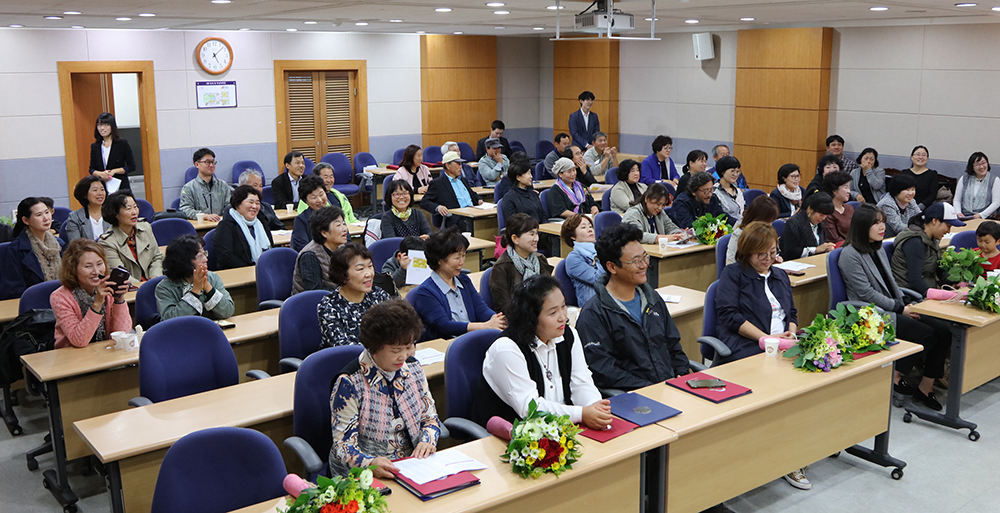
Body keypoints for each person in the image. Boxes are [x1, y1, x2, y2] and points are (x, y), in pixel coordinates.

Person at [716, 220, 807, 489]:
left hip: (784, 344)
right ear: (747, 252)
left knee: (808, 386)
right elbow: (730, 316)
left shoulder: (779, 275)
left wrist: (790, 332)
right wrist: (767, 339)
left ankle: (799, 447)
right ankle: (783, 457)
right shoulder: (733, 275)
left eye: (772, 252)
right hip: (749, 345)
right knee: (779, 390)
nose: (768, 259)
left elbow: (791, 313)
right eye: (761, 254)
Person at [839, 204, 952, 412]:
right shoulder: (850, 254)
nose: (882, 227)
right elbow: (866, 294)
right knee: (926, 334)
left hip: (895, 306)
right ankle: (895, 375)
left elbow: (891, 282)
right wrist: (900, 309)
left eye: (883, 222)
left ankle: (925, 387)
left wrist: (905, 304)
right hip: (869, 314)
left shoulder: (878, 248)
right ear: (863, 226)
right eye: (876, 223)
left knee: (945, 330)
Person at [475, 275, 612, 429]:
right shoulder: (507, 349)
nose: (563, 317)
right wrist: (582, 414)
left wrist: (595, 408)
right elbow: (531, 410)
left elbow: (581, 382)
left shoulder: (569, 335)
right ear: (531, 318)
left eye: (563, 306)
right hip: (516, 437)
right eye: (553, 313)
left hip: (564, 427)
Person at [329, 299, 440, 479]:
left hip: (414, 466)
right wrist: (369, 463)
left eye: (409, 347)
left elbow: (430, 418)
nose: (403, 356)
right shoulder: (350, 383)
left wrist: (427, 440)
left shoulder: (413, 368)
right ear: (374, 347)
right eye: (396, 350)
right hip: (366, 474)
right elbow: (342, 445)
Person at [576, 223, 691, 391]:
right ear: (612, 267)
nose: (644, 265)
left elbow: (673, 345)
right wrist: (652, 389)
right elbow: (604, 371)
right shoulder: (594, 314)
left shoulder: (652, 299)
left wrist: (682, 375)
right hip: (634, 398)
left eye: (645, 257)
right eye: (636, 261)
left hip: (669, 389)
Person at [409, 227, 506, 340]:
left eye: (463, 256)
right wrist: (484, 326)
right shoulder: (425, 292)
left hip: (472, 337)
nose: (462, 262)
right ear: (439, 260)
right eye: (457, 258)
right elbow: (444, 326)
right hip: (447, 343)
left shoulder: (464, 280)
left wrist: (496, 319)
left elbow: (481, 309)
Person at [50, 239, 132, 349]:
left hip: (106, 352)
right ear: (73, 269)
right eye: (88, 266)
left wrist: (119, 299)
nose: (96, 271)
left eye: (99, 264)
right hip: (73, 358)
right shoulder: (60, 297)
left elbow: (122, 334)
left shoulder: (108, 289)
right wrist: (98, 302)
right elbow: (79, 341)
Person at [318, 244, 391, 348]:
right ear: (342, 275)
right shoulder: (329, 306)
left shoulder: (379, 295)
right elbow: (343, 348)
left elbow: (400, 329)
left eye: (370, 266)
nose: (369, 274)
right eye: (361, 269)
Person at [891, 203, 965, 297]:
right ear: (935, 221)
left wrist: (954, 284)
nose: (949, 231)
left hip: (927, 292)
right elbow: (915, 281)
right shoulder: (915, 242)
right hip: (912, 297)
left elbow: (939, 269)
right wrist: (942, 295)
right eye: (948, 226)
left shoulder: (932, 239)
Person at [156, 234, 235, 321]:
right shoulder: (164, 288)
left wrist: (208, 287)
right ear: (184, 261)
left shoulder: (212, 277)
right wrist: (195, 291)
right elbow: (170, 320)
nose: (206, 259)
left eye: (205, 254)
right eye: (200, 256)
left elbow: (228, 311)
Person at [0, 198, 65, 300]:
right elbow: (14, 291)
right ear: (26, 220)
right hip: (35, 306)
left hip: (63, 301)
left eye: (47, 212)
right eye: (39, 215)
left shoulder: (59, 245)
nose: (46, 218)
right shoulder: (14, 250)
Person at [489, 214, 553, 312]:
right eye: (531, 234)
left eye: (536, 233)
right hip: (519, 319)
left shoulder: (540, 260)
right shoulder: (502, 267)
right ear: (515, 239)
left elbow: (550, 293)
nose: (536, 239)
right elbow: (504, 307)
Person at [99, 191, 163, 285]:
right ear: (115, 214)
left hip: (154, 284)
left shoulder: (145, 227)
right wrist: (145, 287)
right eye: (128, 209)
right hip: (129, 290)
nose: (134, 212)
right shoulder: (107, 242)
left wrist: (155, 277)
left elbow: (157, 257)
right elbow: (121, 274)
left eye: (135, 207)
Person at [209, 185, 273, 270]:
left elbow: (271, 248)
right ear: (238, 204)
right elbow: (225, 257)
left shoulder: (261, 223)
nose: (254, 206)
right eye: (250, 202)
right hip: (237, 272)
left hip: (262, 269)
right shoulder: (226, 226)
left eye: (257, 203)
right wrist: (251, 268)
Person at [420, 151, 483, 232]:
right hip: (456, 219)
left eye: (461, 164)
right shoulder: (437, 183)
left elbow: (472, 194)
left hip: (473, 213)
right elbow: (424, 202)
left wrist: (478, 199)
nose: (461, 167)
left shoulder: (463, 180)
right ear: (448, 165)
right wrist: (437, 207)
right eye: (458, 164)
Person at [291, 206, 348, 295]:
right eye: (338, 225)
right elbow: (314, 291)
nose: (345, 229)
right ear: (324, 233)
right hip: (312, 304)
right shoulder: (309, 255)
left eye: (344, 224)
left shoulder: (341, 248)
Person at [560, 214, 605, 305]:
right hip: (594, 306)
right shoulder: (574, 258)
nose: (590, 229)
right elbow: (598, 279)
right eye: (583, 227)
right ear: (573, 236)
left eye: (590, 226)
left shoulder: (601, 247)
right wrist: (603, 255)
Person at [779, 191, 835, 260]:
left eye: (826, 215)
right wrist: (815, 250)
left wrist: (826, 248)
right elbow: (790, 252)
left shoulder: (819, 224)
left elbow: (822, 244)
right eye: (821, 215)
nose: (823, 218)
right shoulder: (793, 223)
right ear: (810, 209)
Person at [726, 195, 780, 265]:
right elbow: (730, 264)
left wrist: (773, 261)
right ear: (757, 219)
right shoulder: (739, 235)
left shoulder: (767, 234)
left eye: (771, 222)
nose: (770, 225)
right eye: (767, 222)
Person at [179, 148, 231, 222]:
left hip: (221, 225)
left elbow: (229, 206)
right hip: (201, 227)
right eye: (207, 162)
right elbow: (185, 210)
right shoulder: (189, 188)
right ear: (197, 164)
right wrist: (205, 216)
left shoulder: (223, 185)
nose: (211, 165)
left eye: (213, 162)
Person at [89, 112, 135, 192]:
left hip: (120, 186)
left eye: (106, 125)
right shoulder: (95, 146)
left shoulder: (122, 144)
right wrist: (100, 174)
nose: (102, 128)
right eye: (99, 125)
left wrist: (114, 171)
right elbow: (92, 169)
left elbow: (131, 166)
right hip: (102, 187)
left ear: (112, 127)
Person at [954, 152, 1000, 219]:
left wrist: (981, 215)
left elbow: (996, 203)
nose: (981, 167)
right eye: (977, 164)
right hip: (964, 216)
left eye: (983, 163)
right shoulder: (964, 179)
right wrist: (958, 213)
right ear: (972, 167)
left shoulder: (994, 180)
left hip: (985, 217)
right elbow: (957, 199)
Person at [501, 156, 547, 223]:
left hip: (540, 230)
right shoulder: (509, 198)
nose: (531, 176)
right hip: (523, 231)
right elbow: (512, 223)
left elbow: (543, 216)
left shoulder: (533, 194)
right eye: (528, 173)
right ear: (518, 177)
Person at [64, 176, 111, 242]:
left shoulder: (112, 214)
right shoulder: (75, 217)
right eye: (95, 190)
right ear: (85, 195)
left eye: (102, 190)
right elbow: (76, 245)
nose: (100, 193)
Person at [291, 175, 329, 251]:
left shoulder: (335, 215)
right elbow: (303, 247)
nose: (320, 200)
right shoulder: (301, 220)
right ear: (306, 201)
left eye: (321, 194)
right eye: (314, 197)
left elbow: (346, 240)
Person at [877, 173, 921, 238]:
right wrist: (921, 229)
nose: (911, 193)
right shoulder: (886, 204)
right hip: (886, 240)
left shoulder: (911, 201)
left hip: (905, 236)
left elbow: (920, 217)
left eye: (913, 189)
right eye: (907, 190)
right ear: (897, 190)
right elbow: (898, 227)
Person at [898, 145, 939, 210]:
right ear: (912, 157)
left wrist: (919, 207)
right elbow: (899, 191)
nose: (920, 157)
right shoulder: (904, 173)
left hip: (923, 209)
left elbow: (932, 195)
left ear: (927, 158)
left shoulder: (932, 174)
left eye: (924, 155)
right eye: (918, 154)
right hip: (904, 207)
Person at [822, 171, 856, 245]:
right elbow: (834, 239)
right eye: (845, 187)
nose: (849, 191)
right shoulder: (827, 212)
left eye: (849, 187)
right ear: (834, 190)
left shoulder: (849, 208)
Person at [714, 156, 746, 226]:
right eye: (732, 171)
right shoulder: (715, 192)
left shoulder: (738, 191)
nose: (736, 174)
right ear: (722, 171)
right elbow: (721, 216)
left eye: (737, 171)